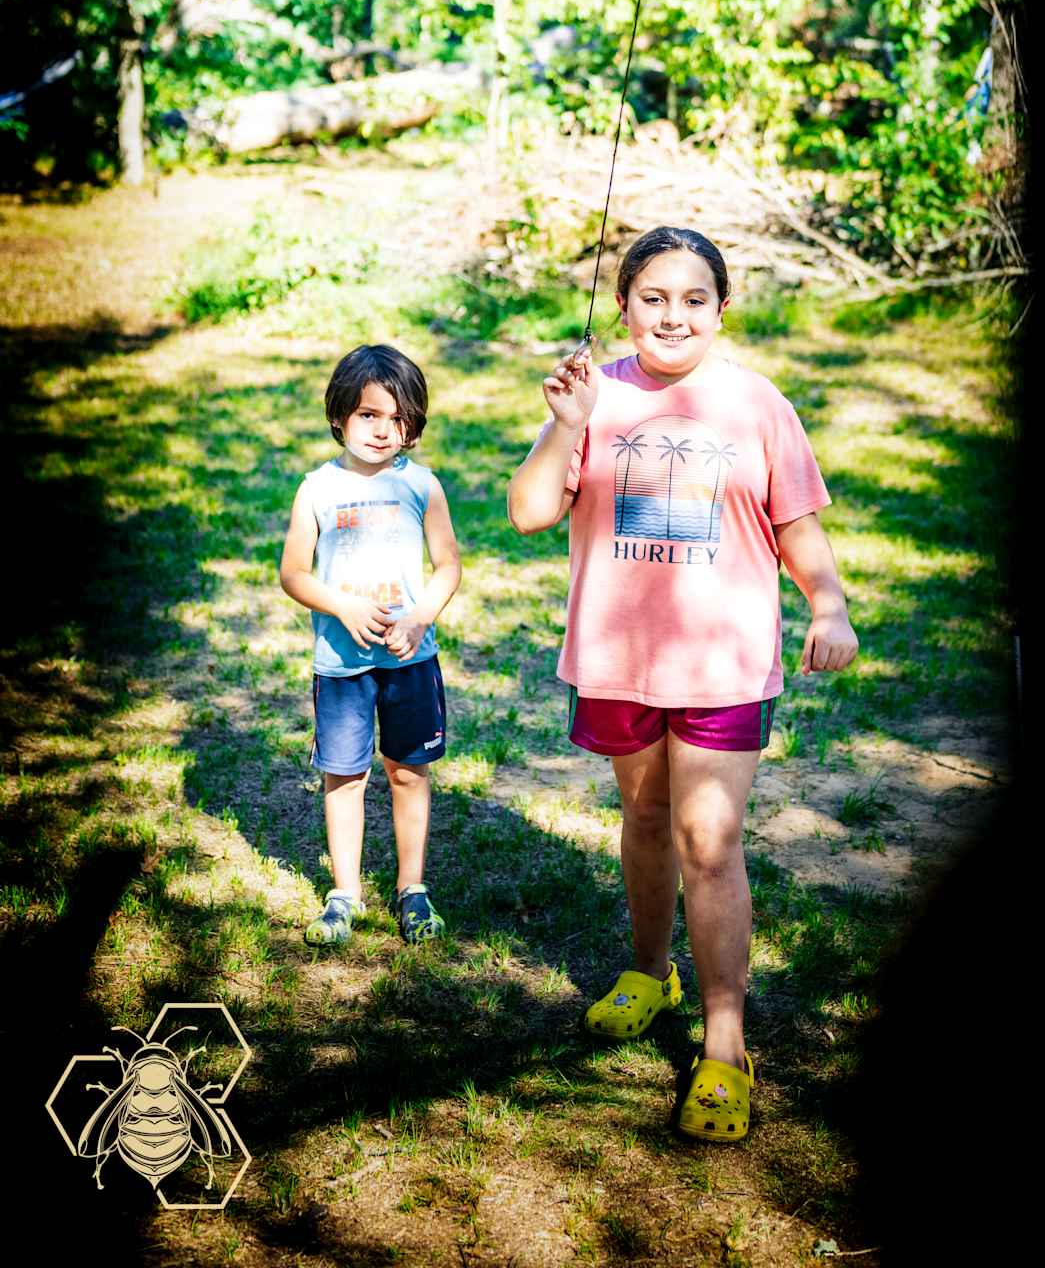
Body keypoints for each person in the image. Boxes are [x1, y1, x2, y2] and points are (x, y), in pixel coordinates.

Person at [507, 226, 857, 1142]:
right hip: (621, 658)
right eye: (653, 297)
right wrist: (566, 424)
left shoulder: (756, 404)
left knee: (710, 839)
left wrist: (827, 603)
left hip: (726, 660)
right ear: (622, 306)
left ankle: (725, 1044)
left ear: (722, 309)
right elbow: (530, 513)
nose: (673, 315)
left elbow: (800, 526)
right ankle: (647, 970)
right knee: (648, 820)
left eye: (693, 298)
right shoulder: (595, 393)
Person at [281, 343, 461, 948]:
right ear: (339, 416)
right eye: (369, 415)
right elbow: (294, 574)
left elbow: (448, 568)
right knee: (345, 776)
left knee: (408, 773)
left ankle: (413, 888)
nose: (384, 430)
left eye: (398, 418)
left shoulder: (423, 486)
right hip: (341, 666)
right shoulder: (316, 489)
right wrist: (344, 605)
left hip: (410, 659)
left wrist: (419, 617)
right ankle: (345, 894)